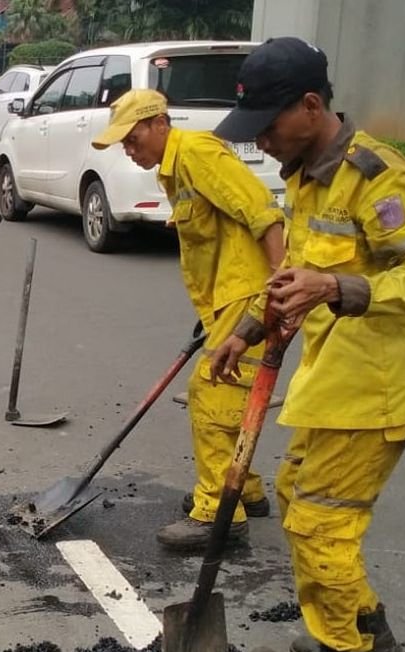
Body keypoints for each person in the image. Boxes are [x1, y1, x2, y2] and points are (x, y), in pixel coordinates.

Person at [211, 37, 405, 652]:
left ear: (311, 106)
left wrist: (336, 289)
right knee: (298, 496)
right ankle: (366, 631)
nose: (261, 143)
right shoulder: (304, 176)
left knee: (319, 520)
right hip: (336, 377)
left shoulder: (379, 175)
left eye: (269, 126)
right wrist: (252, 328)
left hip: (382, 386)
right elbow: (298, 273)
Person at [90, 89, 285, 551]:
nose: (129, 149)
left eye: (133, 138)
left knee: (211, 394)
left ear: (160, 124)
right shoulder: (172, 171)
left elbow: (262, 213)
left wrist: (277, 290)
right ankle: (246, 489)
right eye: (123, 143)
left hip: (251, 294)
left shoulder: (197, 154)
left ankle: (221, 511)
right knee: (234, 397)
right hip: (225, 299)